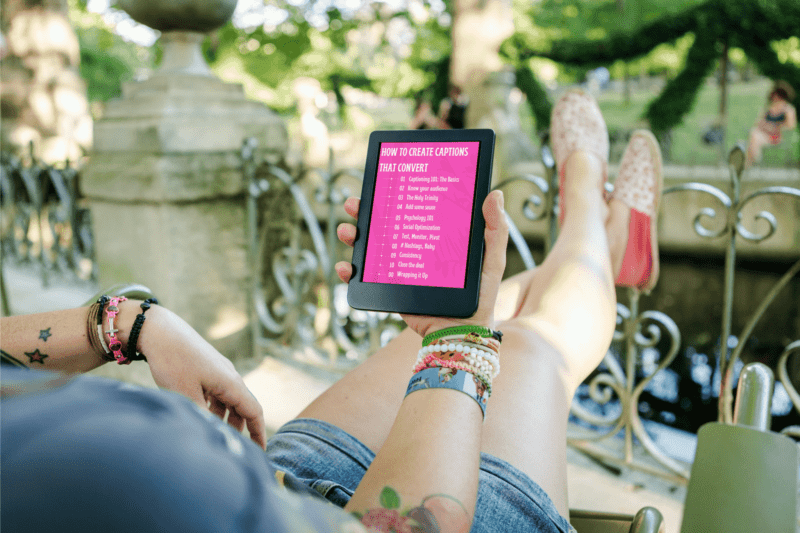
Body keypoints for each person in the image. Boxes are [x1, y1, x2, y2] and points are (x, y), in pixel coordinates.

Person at [2, 89, 663, 533]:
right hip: (398, 516)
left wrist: (133, 323)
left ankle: (599, 245)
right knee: (533, 346)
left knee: (489, 307)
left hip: (286, 470)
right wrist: (458, 344)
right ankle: (587, 207)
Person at [745, 81, 797, 168]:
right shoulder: (769, 109)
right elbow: (758, 122)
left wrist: (775, 127)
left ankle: (750, 162)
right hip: (764, 134)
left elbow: (791, 126)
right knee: (754, 134)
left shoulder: (788, 110)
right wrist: (765, 126)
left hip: (776, 137)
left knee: (754, 136)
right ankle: (752, 160)